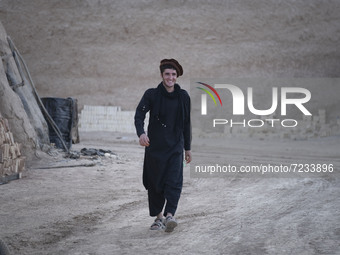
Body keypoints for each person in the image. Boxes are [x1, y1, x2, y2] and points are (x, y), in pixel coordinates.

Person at [134, 58, 192, 232]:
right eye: (167, 74)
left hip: (175, 147)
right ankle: (158, 218)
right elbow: (139, 115)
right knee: (154, 183)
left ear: (177, 76)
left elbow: (187, 123)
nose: (170, 77)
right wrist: (141, 133)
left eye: (174, 74)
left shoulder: (183, 97)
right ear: (161, 75)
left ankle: (170, 216)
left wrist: (187, 148)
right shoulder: (151, 95)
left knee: (174, 181)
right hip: (154, 148)